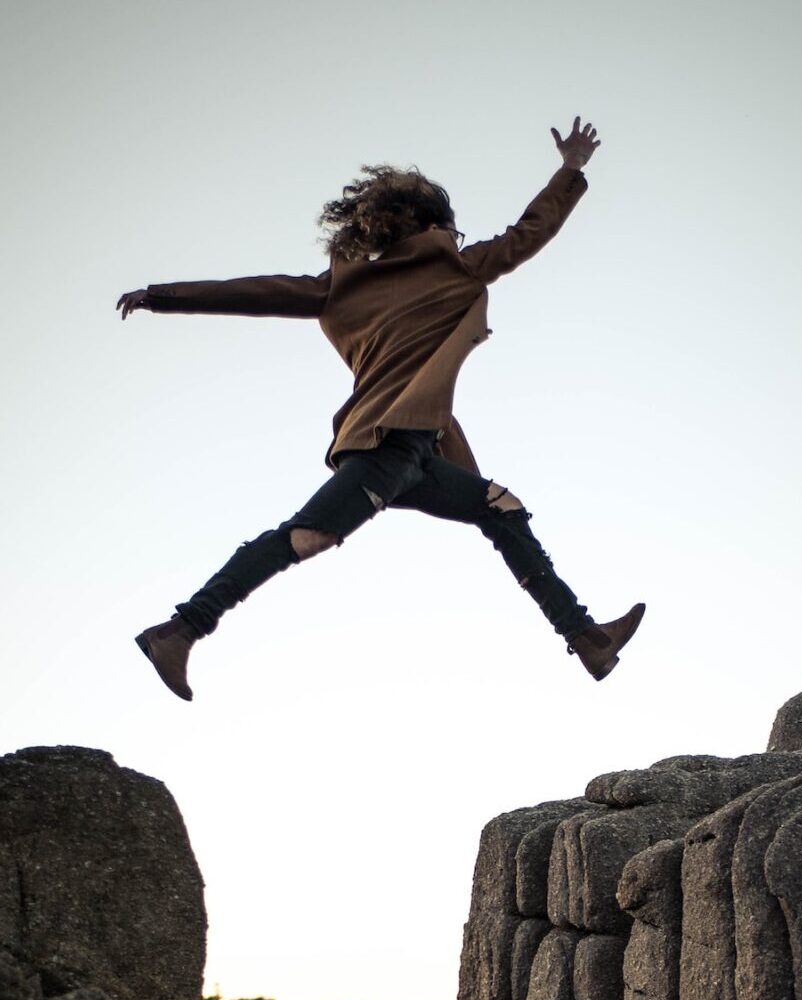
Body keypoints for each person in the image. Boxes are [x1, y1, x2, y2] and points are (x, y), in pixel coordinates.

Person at [119, 117, 644, 701]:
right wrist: (569, 170)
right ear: (428, 224)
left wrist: (163, 296)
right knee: (307, 536)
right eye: (450, 225)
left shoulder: (341, 285)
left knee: (501, 509)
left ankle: (586, 638)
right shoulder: (455, 266)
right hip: (385, 446)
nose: (457, 233)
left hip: (417, 450)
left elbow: (255, 289)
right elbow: (529, 233)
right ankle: (183, 629)